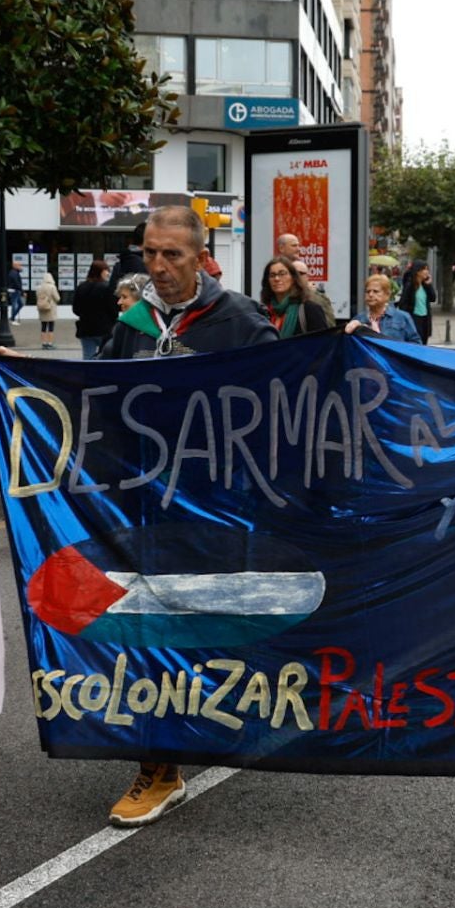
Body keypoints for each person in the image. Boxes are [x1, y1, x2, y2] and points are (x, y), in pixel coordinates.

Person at [25, 206, 275, 825]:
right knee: (147, 635)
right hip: (139, 508)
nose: (158, 267)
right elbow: (93, 390)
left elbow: (286, 396)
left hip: (213, 510)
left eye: (173, 256)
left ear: (201, 256)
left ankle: (199, 728)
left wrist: (339, 351)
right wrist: (19, 369)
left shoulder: (239, 321)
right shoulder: (134, 324)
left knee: (204, 630)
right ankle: (157, 768)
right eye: (150, 255)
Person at [258, 257, 330, 337]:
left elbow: (323, 344)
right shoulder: (263, 313)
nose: (277, 278)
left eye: (282, 274)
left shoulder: (309, 309)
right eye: (272, 275)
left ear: (293, 278)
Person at [343, 272, 422, 342]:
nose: (370, 295)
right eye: (368, 291)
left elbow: (416, 346)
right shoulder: (359, 319)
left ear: (387, 295)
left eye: (375, 291)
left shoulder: (402, 318)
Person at [71, 260, 118, 359]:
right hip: (104, 328)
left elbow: (76, 309)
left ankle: (88, 374)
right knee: (106, 356)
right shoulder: (107, 288)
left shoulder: (81, 287)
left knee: (88, 357)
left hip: (86, 328)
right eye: (106, 271)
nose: (108, 273)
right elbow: (113, 309)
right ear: (100, 271)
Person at [400, 262, 435, 344]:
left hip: (425, 319)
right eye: (424, 269)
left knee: (424, 343)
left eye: (427, 269)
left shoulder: (425, 285)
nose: (427, 272)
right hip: (414, 319)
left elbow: (433, 298)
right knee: (416, 344)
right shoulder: (410, 286)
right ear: (417, 272)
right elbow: (403, 304)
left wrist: (429, 285)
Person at [35, 268, 60, 349]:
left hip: (42, 308)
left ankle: (43, 343)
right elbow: (57, 298)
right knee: (51, 327)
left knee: (43, 326)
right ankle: (50, 343)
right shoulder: (52, 287)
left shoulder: (39, 287)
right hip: (50, 309)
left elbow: (37, 297)